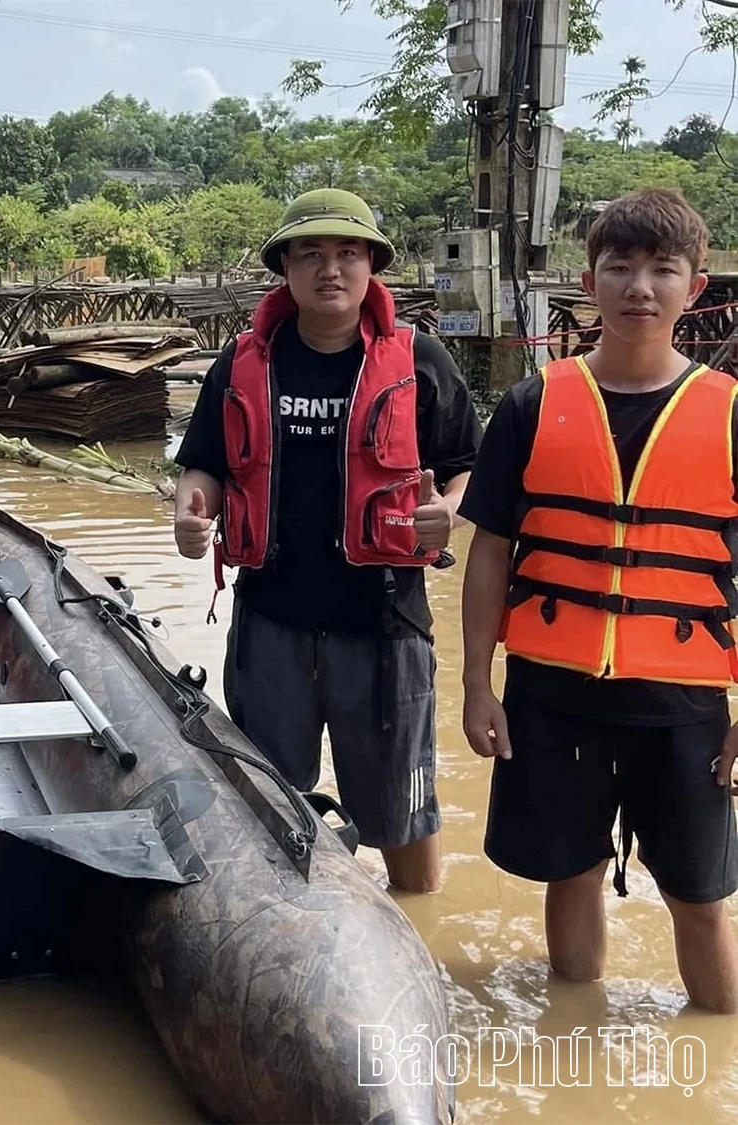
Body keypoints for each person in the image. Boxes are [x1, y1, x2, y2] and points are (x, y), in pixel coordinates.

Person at [459, 187, 738, 1013]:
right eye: (619, 267)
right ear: (589, 282)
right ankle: (572, 1038)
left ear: (695, 287)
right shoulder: (532, 403)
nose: (639, 287)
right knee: (571, 873)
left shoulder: (729, 414)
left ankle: (718, 1048)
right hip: (553, 692)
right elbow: (490, 552)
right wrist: (476, 683)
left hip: (683, 700)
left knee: (699, 895)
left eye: (662, 269)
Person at [172, 188, 481, 894]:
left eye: (347, 253)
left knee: (402, 815)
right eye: (310, 254)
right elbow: (204, 465)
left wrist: (450, 511)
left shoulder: (420, 360)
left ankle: (416, 927)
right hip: (270, 624)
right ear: (285, 268)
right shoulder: (242, 362)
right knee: (268, 810)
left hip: (384, 625)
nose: (330, 269)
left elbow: (470, 467)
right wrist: (193, 513)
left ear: (373, 265)